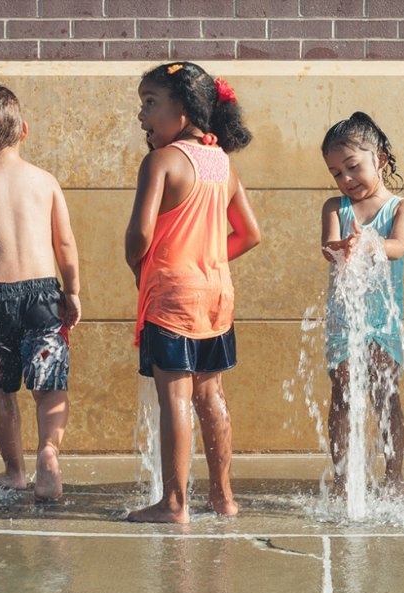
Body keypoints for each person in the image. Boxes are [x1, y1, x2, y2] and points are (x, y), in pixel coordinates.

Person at [124, 62, 261, 524]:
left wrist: (137, 262)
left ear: (181, 109)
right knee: (212, 396)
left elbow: (140, 236)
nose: (141, 116)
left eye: (149, 103)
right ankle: (224, 497)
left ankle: (173, 503)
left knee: (176, 400)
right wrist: (207, 257)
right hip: (216, 294)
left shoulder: (161, 161)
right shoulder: (222, 162)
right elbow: (249, 234)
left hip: (172, 295)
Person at [0, 85, 81, 501]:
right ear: (24, 130)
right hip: (43, 297)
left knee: (0, 388)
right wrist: (72, 292)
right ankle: (48, 452)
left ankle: (14, 470)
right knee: (50, 385)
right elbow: (65, 245)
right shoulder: (44, 182)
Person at [320, 112, 404, 496]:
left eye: (352, 167)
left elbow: (398, 246)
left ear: (381, 160)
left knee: (385, 393)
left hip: (383, 318)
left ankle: (394, 478)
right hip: (345, 317)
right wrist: (339, 247)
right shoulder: (334, 207)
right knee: (342, 394)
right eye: (336, 172)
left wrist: (369, 243)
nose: (345, 180)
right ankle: (343, 480)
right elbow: (328, 247)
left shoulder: (401, 208)